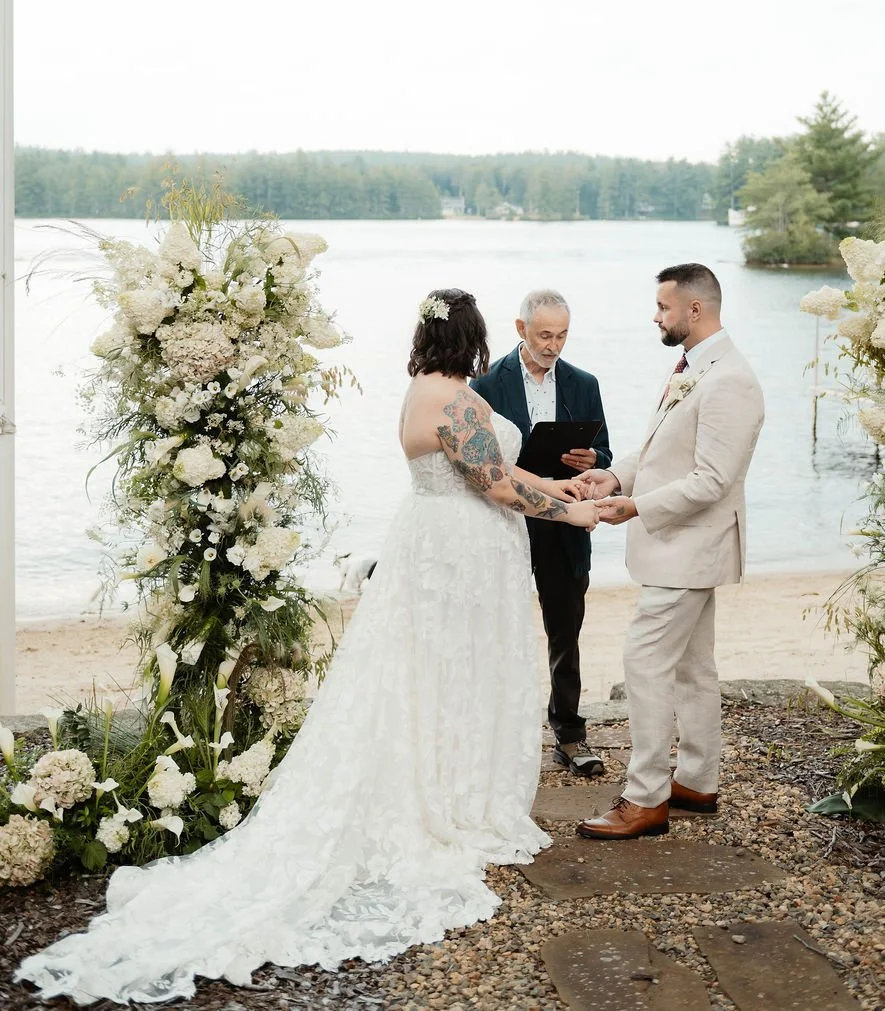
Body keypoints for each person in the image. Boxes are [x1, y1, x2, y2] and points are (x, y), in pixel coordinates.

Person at [16, 289, 597, 1004]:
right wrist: (577, 510)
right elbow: (501, 488)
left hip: (431, 547)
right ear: (475, 339)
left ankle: (444, 782)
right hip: (462, 557)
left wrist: (570, 489)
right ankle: (451, 800)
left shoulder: (421, 390)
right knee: (458, 679)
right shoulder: (458, 404)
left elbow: (504, 478)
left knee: (427, 680)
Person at [570, 264, 764, 840]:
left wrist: (636, 508)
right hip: (683, 549)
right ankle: (699, 779)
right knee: (691, 667)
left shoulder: (730, 380)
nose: (656, 316)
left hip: (689, 549)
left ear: (695, 310)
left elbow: (711, 480)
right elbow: (660, 447)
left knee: (645, 664)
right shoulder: (692, 368)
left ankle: (646, 797)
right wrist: (615, 478)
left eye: (663, 307)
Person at [471, 288, 612, 779]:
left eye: (563, 335)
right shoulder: (484, 385)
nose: (554, 345)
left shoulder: (584, 383)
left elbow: (605, 453)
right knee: (494, 629)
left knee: (565, 629)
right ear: (520, 330)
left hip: (566, 523)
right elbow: (479, 463)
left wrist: (593, 460)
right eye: (545, 335)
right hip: (502, 521)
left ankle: (570, 734)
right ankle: (491, 735)